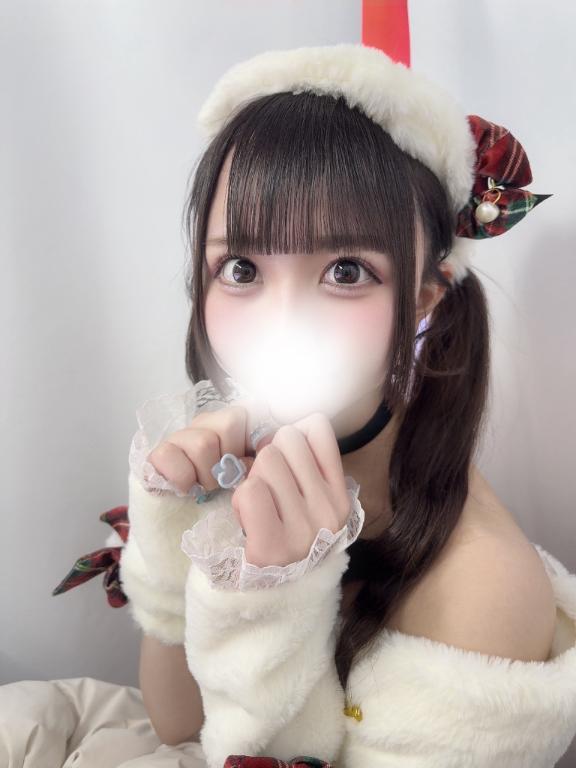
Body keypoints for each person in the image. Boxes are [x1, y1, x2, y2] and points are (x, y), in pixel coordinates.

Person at [55, 44, 576, 768]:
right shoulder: (233, 463)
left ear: (424, 297)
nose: (282, 320)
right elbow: (176, 724)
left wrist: (275, 598)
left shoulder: (480, 588)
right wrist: (177, 535)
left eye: (346, 270)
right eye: (241, 268)